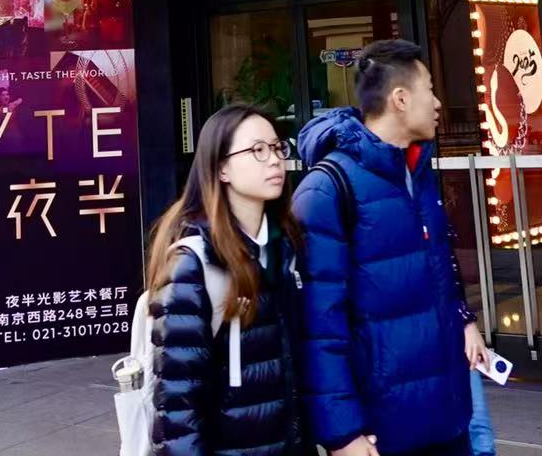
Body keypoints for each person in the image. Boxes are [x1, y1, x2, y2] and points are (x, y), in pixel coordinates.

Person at [294, 39, 483, 456]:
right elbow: (320, 325)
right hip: (383, 433)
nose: (438, 103)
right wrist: (342, 433)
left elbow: (439, 274)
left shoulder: (417, 172)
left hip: (448, 418)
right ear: (400, 99)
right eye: (429, 89)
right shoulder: (327, 189)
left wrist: (464, 319)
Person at [147, 104, 307, 456]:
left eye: (277, 147)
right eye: (257, 150)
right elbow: (177, 407)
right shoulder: (192, 263)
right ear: (221, 169)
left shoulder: (285, 247)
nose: (274, 160)